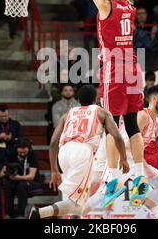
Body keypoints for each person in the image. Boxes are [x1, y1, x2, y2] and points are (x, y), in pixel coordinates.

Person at [85, 0, 148, 207]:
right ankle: (139, 177)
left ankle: (111, 181)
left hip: (114, 69)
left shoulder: (105, 5)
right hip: (133, 66)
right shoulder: (130, 6)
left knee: (111, 124)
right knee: (132, 124)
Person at [29, 85, 129, 219]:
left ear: (78, 99)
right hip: (82, 152)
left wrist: (54, 170)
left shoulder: (68, 113)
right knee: (76, 205)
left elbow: (53, 142)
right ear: (95, 99)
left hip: (63, 153)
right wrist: (123, 158)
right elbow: (117, 136)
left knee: (78, 200)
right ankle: (40, 213)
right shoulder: (101, 112)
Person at [85, 85, 158, 219]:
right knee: (103, 194)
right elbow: (126, 143)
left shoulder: (156, 119)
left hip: (135, 162)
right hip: (122, 159)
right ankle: (76, 215)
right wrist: (143, 165)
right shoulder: (143, 116)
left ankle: (142, 217)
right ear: (154, 98)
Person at [1, 137, 41, 219]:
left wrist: (18, 177)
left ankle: (21, 215)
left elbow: (31, 176)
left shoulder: (32, 155)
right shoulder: (12, 154)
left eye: (24, 151)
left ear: (29, 148)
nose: (22, 154)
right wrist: (8, 174)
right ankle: (8, 214)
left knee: (21, 186)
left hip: (32, 182)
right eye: (20, 152)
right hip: (16, 180)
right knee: (8, 186)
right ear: (16, 148)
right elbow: (5, 170)